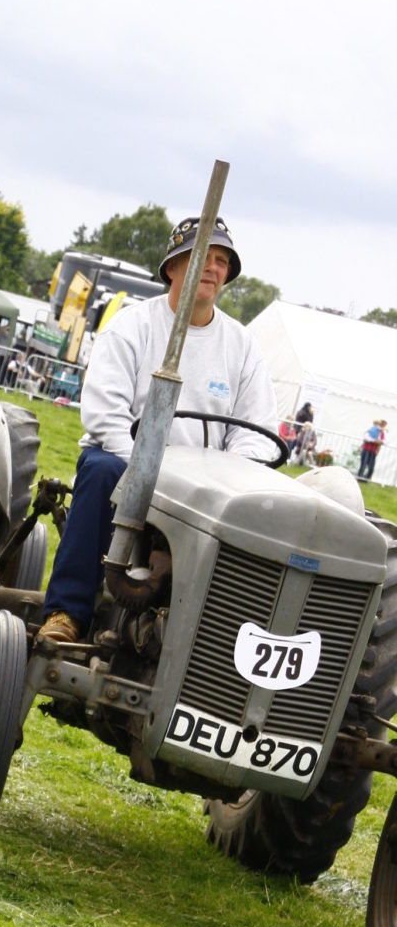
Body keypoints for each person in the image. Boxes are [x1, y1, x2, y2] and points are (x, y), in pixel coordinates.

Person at [39, 215, 279, 645]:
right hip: (132, 467)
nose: (212, 268)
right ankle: (67, 610)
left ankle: (217, 642)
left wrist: (228, 479)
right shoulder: (132, 326)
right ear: (172, 266)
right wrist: (149, 471)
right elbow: (105, 414)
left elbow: (257, 431)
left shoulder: (242, 347)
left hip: (208, 487)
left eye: (221, 260)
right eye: (202, 256)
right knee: (99, 469)